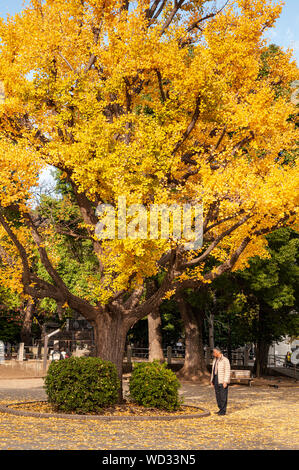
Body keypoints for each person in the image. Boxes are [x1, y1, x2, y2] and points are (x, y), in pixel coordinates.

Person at [210, 346, 231, 416]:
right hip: (216, 379)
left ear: (217, 352)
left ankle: (223, 411)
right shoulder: (215, 360)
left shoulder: (225, 360)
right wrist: (212, 380)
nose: (213, 354)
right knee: (218, 395)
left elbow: (227, 371)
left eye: (214, 352)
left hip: (222, 380)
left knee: (223, 396)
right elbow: (213, 371)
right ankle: (220, 409)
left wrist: (225, 381)